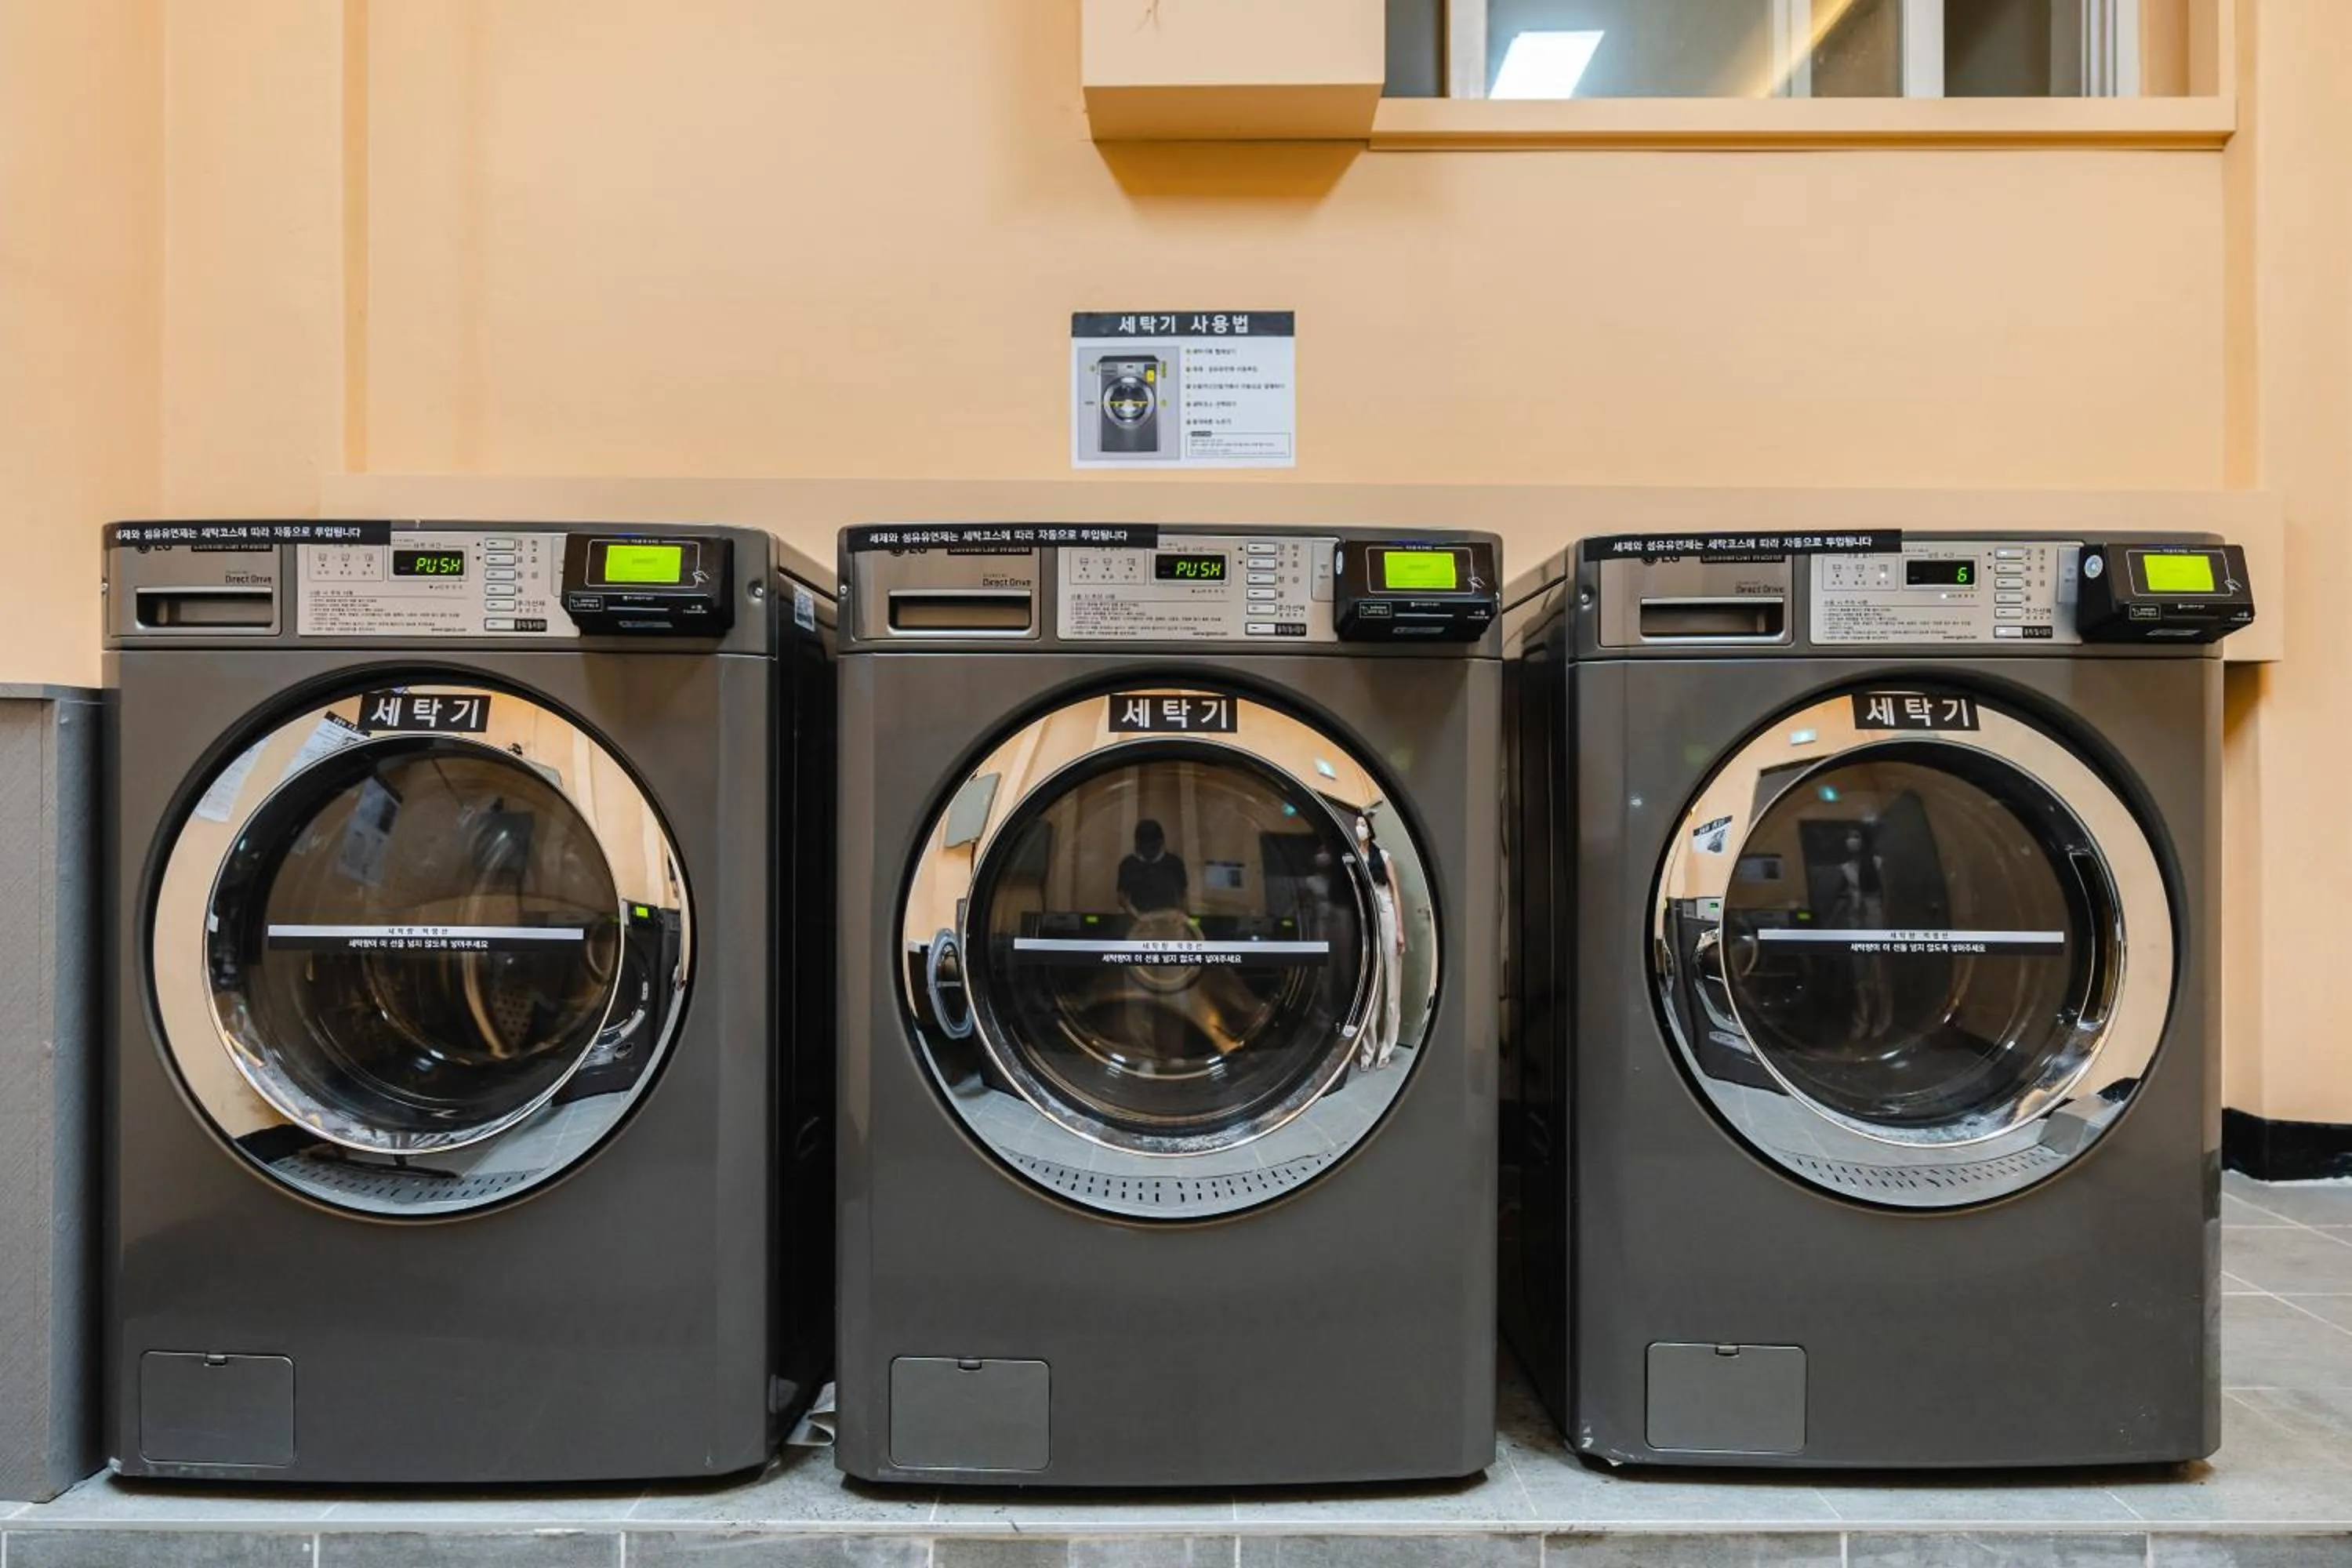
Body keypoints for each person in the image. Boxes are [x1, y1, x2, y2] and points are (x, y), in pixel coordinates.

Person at [1116, 818, 1189, 917]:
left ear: (1161, 842)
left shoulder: (1174, 863)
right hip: (1138, 920)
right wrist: (1138, 916)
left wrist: (1179, 917)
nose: (1149, 851)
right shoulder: (1128, 864)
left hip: (1168, 921)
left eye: (1152, 846)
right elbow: (1122, 898)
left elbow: (1183, 896)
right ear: (1138, 844)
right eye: (1145, 847)